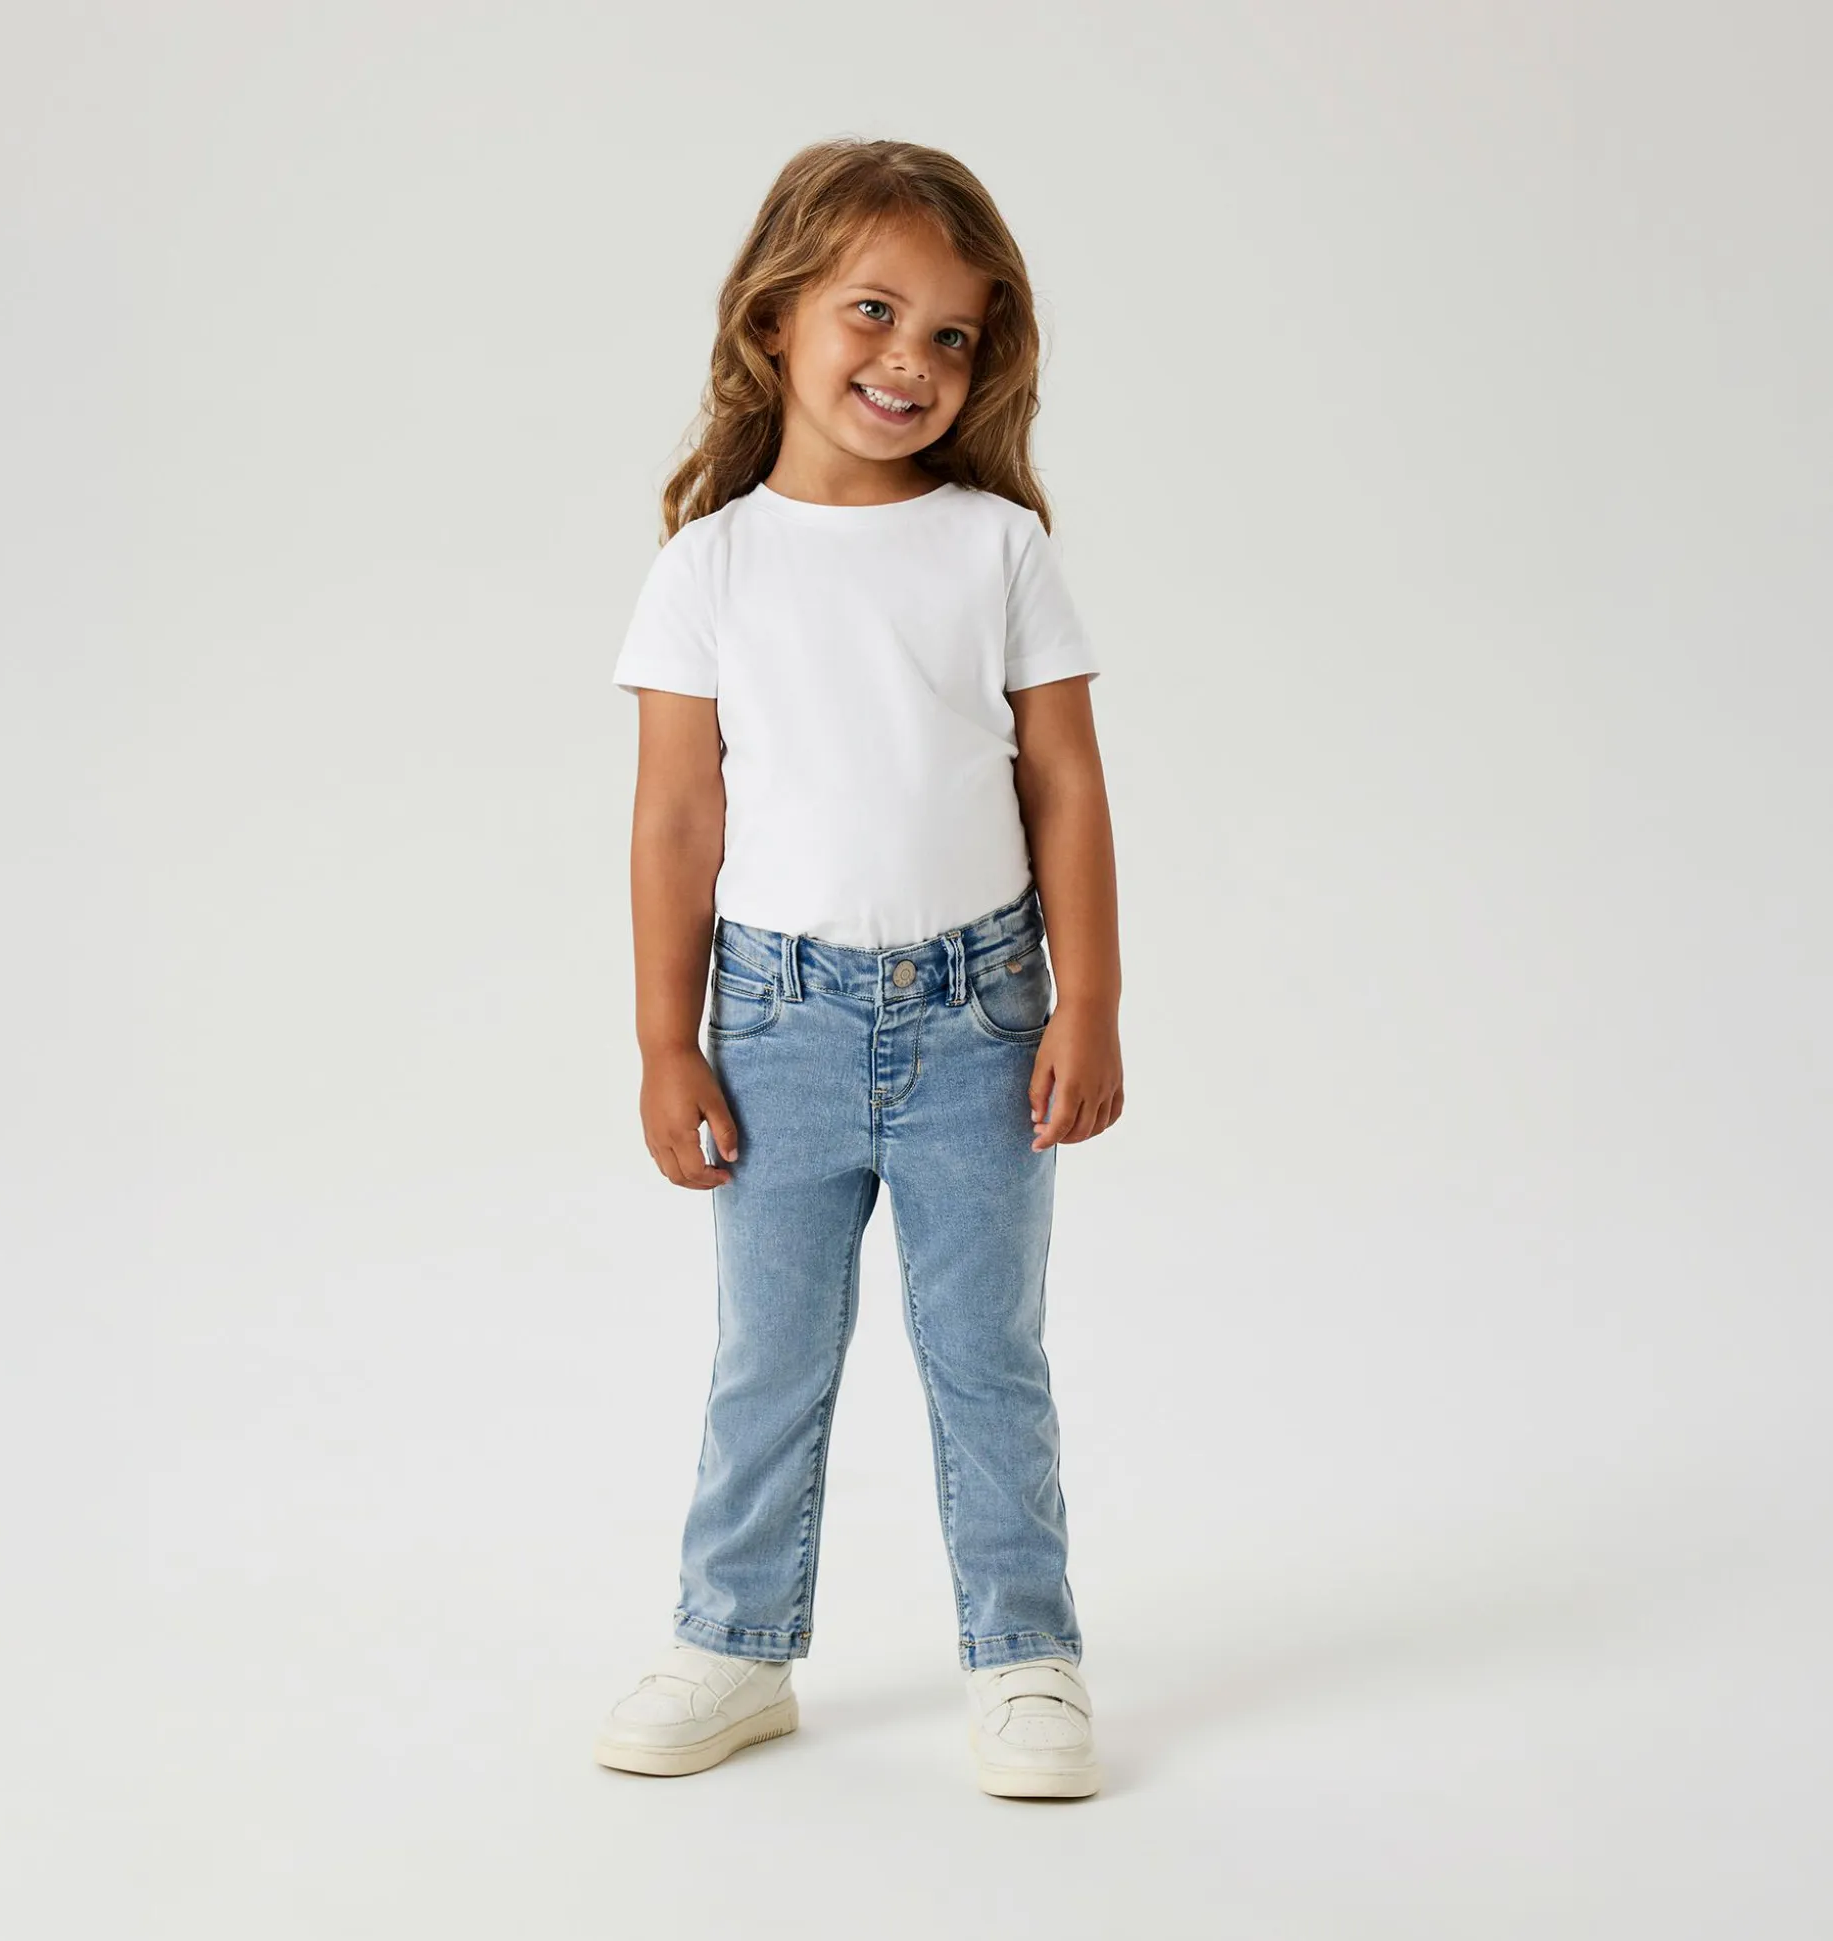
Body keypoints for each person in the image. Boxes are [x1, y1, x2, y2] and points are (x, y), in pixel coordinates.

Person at [594, 138, 1123, 1800]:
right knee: (769, 1355)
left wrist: (1091, 1003)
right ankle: (735, 1644)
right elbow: (677, 816)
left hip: (982, 1020)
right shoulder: (710, 566)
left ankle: (1024, 1654)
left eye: (953, 334)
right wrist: (666, 1041)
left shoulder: (996, 549)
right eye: (874, 313)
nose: (912, 360)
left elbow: (1065, 786)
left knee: (986, 1357)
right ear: (774, 321)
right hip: (776, 1026)